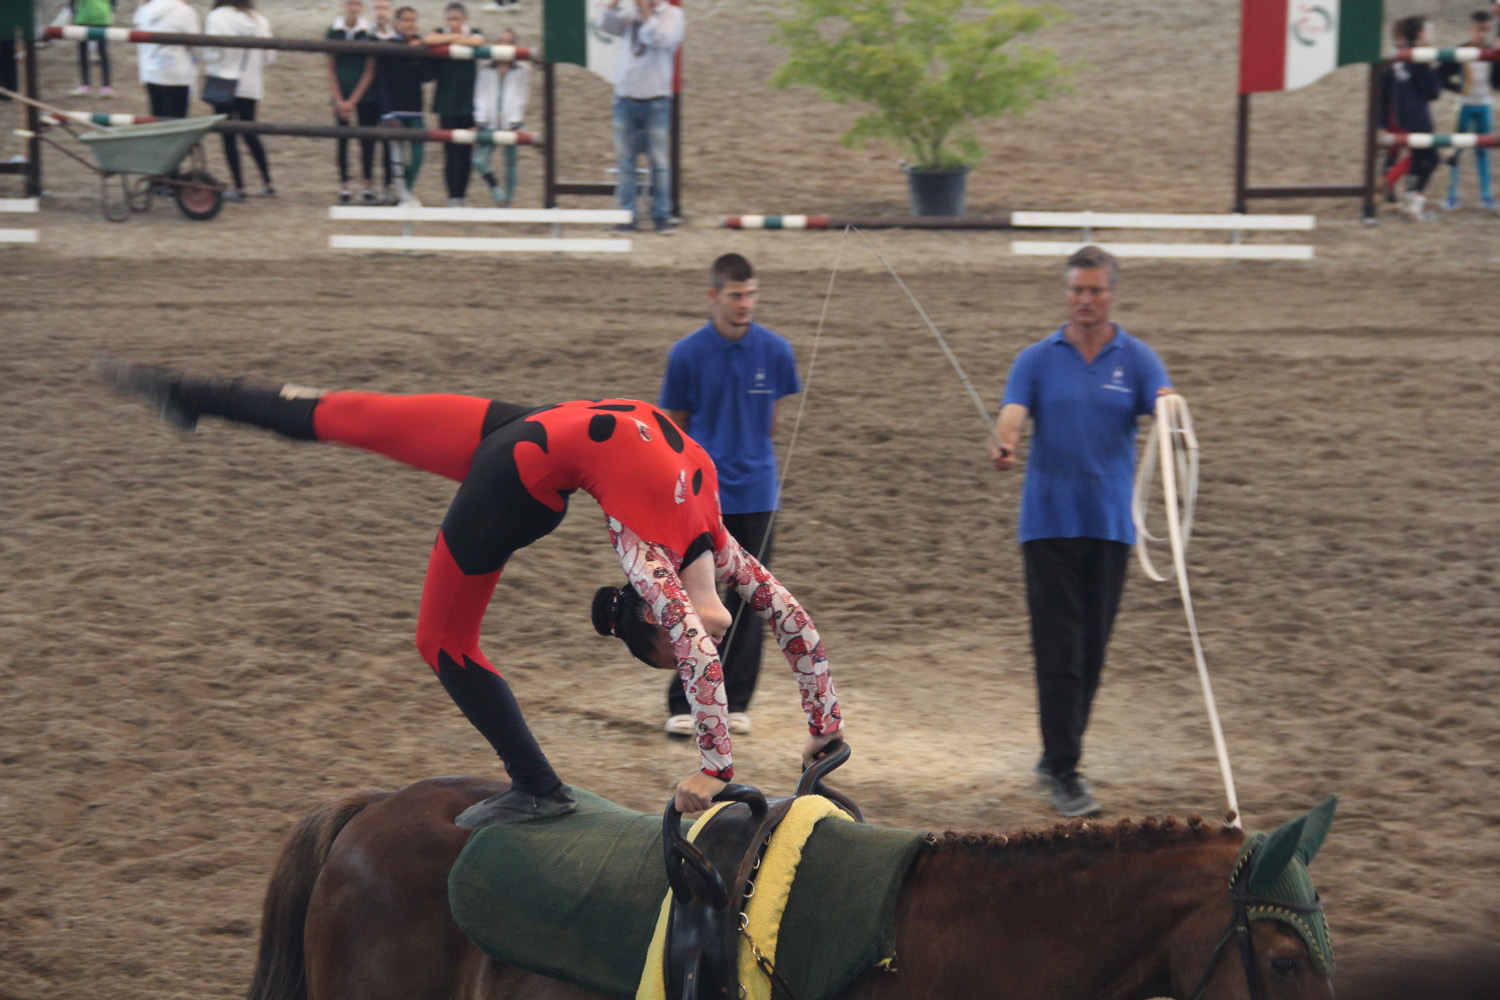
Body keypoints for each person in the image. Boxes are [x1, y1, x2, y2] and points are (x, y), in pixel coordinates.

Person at [98, 363, 845, 821]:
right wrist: (734, 766)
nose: (685, 650)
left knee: (364, 437)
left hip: (532, 448)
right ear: (652, 625)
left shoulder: (709, 538)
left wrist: (822, 727)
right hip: (519, 453)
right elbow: (710, 645)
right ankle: (192, 394)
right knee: (354, 424)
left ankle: (537, 787)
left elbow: (787, 624)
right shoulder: (669, 558)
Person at [988, 246, 1173, 819]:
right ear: (1065, 294)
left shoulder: (1137, 360)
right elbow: (1013, 413)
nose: (1085, 301)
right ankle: (1065, 769)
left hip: (1112, 527)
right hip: (1048, 525)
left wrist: (1176, 421)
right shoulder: (1038, 359)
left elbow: (1167, 407)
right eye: (1076, 290)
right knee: (1060, 649)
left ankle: (1055, 755)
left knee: (1090, 650)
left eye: (1095, 291)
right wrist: (1007, 441)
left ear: (1112, 293)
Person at [657, 254, 801, 739]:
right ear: (714, 296)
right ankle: (684, 701)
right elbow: (674, 430)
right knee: (694, 599)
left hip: (757, 494)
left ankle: (735, 701)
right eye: (736, 295)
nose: (746, 304)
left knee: (749, 599)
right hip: (700, 498)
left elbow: (773, 424)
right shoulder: (687, 355)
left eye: (752, 294)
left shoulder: (778, 351)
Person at [595, 0, 683, 234]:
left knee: (660, 163)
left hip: (657, 99)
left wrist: (645, 12)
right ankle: (627, 217)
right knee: (625, 162)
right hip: (626, 97)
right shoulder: (629, 13)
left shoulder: (673, 15)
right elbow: (605, 25)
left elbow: (658, 39)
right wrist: (613, 5)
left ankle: (662, 216)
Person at [202, 0, 276, 202]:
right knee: (250, 132)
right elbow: (269, 58)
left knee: (228, 136)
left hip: (224, 83)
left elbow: (212, 54)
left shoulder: (216, 17)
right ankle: (267, 181)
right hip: (251, 84)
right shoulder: (259, 20)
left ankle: (239, 186)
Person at [1382, 16, 1443, 221]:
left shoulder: (1401, 55)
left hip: (1403, 117)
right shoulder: (1420, 58)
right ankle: (1415, 201)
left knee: (1418, 159)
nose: (1432, 35)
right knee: (1432, 158)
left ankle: (1410, 202)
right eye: (1429, 31)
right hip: (1419, 117)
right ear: (1420, 35)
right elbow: (1433, 92)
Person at [1440, 11, 1500, 211]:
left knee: (1483, 151)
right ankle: (1451, 195)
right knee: (1456, 150)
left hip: (1484, 106)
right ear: (1470, 29)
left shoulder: (1493, 52)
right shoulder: (1460, 51)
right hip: (1463, 106)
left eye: (1486, 31)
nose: (1482, 35)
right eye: (1478, 30)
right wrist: (1458, 89)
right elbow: (1440, 75)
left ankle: (1486, 195)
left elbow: (1497, 84)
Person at [425, 2, 482, 207]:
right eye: (450, 19)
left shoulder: (475, 32)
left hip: (468, 102)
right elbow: (429, 38)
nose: (454, 23)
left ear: (465, 20)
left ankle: (462, 194)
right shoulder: (441, 33)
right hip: (446, 102)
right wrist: (456, 38)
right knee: (450, 153)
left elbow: (477, 41)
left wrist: (451, 40)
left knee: (466, 151)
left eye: (457, 19)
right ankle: (452, 196)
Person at [375, 5, 432, 204]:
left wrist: (420, 52)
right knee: (396, 155)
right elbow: (380, 81)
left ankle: (405, 191)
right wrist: (387, 112)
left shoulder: (420, 45)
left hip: (415, 108)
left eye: (413, 20)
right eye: (406, 20)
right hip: (394, 110)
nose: (410, 24)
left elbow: (427, 76)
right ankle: (404, 194)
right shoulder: (387, 46)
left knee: (419, 150)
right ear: (396, 23)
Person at [326, 0, 378, 205]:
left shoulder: (368, 34)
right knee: (343, 140)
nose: (353, 7)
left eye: (356, 3)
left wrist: (352, 100)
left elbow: (369, 70)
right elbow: (330, 67)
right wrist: (339, 99)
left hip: (364, 93)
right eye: (350, 3)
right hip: (341, 91)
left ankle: (367, 184)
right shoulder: (332, 32)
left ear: (361, 7)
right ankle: (344, 185)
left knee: (367, 140)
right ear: (343, 5)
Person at [471, 26, 530, 206]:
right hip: (489, 124)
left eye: (508, 42)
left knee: (510, 163)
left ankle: (509, 200)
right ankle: (496, 190)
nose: (503, 45)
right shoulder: (485, 69)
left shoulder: (522, 69)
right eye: (500, 41)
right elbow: (480, 94)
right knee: (479, 160)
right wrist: (480, 120)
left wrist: (516, 122)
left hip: (512, 123)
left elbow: (522, 96)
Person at [132, 0, 198, 119]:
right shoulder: (185, 12)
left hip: (150, 71)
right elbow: (196, 45)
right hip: (176, 74)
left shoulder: (146, 9)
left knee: (158, 116)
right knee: (176, 120)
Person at [69, 0, 114, 98]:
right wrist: (112, 10)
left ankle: (85, 85)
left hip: (84, 16)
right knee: (103, 52)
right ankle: (107, 86)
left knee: (83, 52)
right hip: (102, 15)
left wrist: (73, 11)